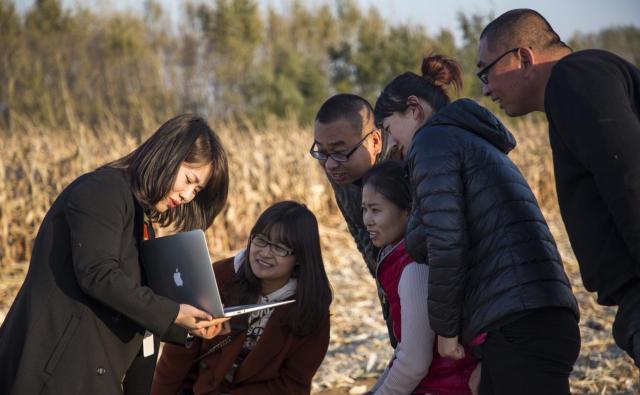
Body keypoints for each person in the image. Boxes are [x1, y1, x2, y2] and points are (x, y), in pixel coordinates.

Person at [374, 54, 580, 395]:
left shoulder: (432, 142)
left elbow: (447, 243)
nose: (391, 143)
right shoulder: (472, 141)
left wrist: (446, 334)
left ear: (414, 109)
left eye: (387, 128)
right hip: (538, 316)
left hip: (519, 324)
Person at [0, 114, 231, 394]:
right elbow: (98, 274)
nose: (187, 196)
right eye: (189, 180)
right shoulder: (102, 190)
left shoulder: (142, 220)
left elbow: (133, 304)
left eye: (197, 190)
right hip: (54, 375)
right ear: (168, 155)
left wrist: (190, 325)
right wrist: (172, 313)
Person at [476, 8, 640, 367]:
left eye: (486, 72)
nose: (486, 89)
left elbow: (629, 178)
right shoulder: (574, 87)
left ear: (522, 58)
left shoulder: (576, 77)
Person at [151, 201, 333, 395]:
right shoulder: (219, 276)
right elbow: (179, 353)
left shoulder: (311, 308)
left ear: (300, 257)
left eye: (280, 248)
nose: (265, 253)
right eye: (261, 240)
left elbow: (294, 383)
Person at [361, 161, 481, 395]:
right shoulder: (400, 256)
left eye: (375, 210)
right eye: (364, 209)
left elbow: (413, 363)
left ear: (408, 210)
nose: (367, 220)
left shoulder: (416, 267)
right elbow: (405, 352)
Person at [312, 93, 398, 345]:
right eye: (321, 152)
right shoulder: (340, 170)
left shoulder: (405, 168)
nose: (329, 164)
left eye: (340, 152)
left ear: (374, 141)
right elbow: (365, 241)